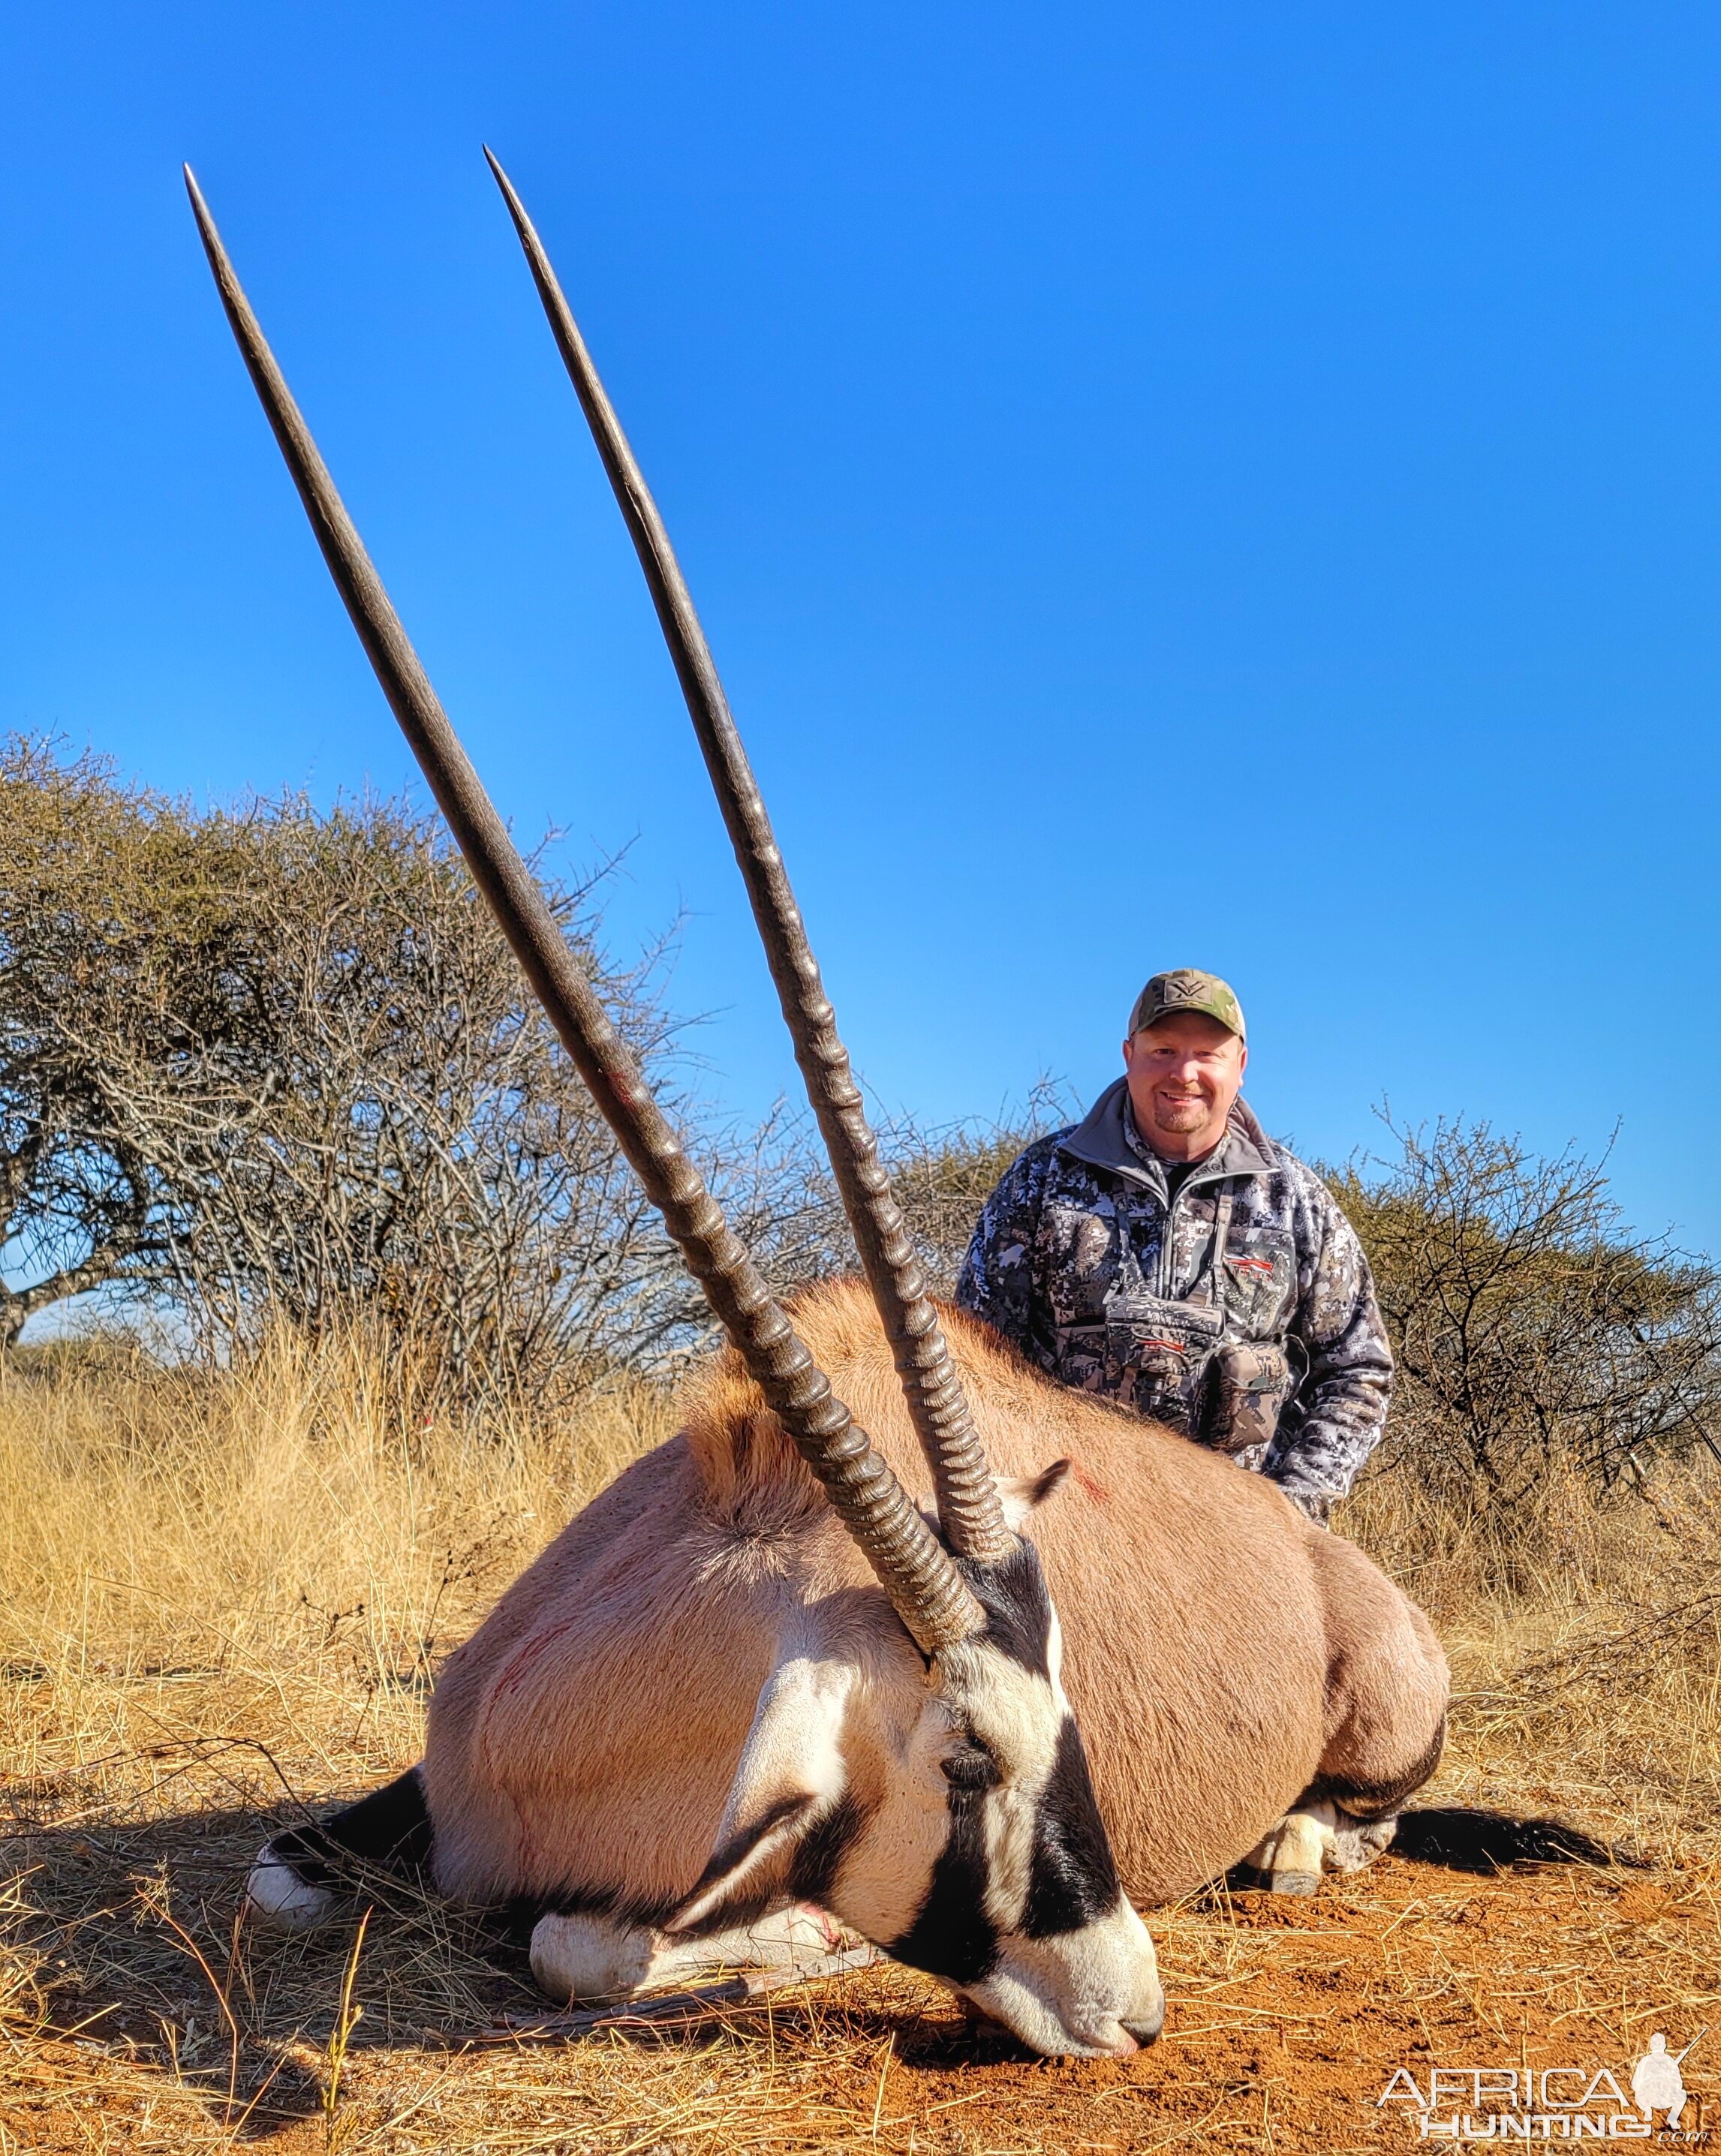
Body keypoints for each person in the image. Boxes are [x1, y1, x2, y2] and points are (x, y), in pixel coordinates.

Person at [955, 969, 1392, 1523]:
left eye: (1206, 1054)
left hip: (1240, 1533)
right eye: (1162, 1049)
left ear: (1240, 1066)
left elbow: (1358, 1368)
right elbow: (972, 1358)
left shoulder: (1295, 1199)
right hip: (1070, 1528)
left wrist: (1292, 1509)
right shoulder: (1040, 1180)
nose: (1183, 1073)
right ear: (1128, 1053)